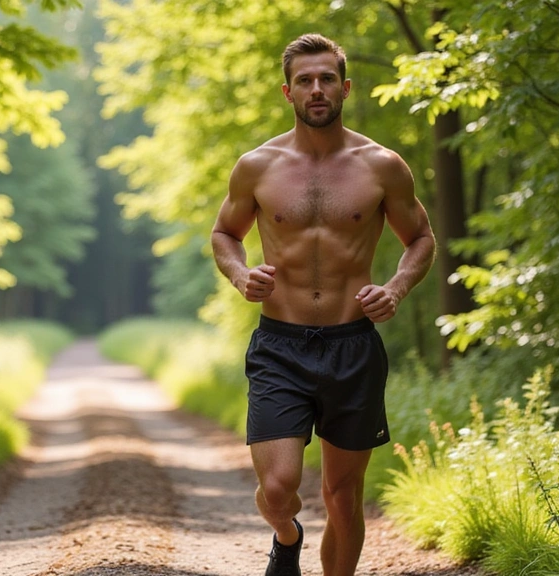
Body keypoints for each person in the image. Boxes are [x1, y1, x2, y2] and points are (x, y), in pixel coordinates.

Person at [210, 33, 436, 576]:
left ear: (345, 87)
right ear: (288, 92)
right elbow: (224, 233)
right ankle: (286, 538)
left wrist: (397, 288)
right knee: (279, 487)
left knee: (342, 495)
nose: (317, 89)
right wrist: (241, 274)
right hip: (279, 346)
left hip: (352, 345)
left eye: (327, 78)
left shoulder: (381, 166)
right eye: (306, 80)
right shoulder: (257, 166)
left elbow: (422, 238)